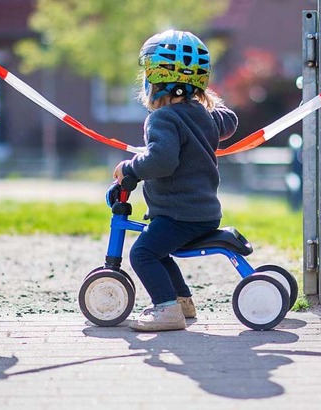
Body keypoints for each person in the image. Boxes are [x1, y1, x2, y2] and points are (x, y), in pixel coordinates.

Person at [112, 30, 238, 332]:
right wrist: (204, 102)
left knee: (142, 253)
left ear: (153, 81)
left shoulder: (163, 119)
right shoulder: (204, 115)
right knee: (158, 250)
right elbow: (229, 119)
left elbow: (162, 161)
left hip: (179, 214)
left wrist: (130, 170)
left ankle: (167, 310)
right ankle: (181, 300)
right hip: (202, 213)